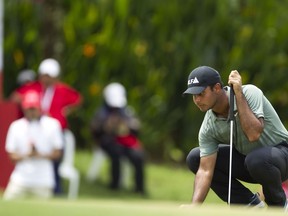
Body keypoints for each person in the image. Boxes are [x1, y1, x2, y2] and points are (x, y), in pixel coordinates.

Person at [183, 66, 288, 208]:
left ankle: (279, 206)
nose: (197, 100)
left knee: (256, 159)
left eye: (201, 93)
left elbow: (253, 134)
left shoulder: (250, 92)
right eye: (194, 96)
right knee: (195, 157)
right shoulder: (208, 126)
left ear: (217, 88)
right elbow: (205, 171)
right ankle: (249, 206)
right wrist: (194, 207)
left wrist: (238, 94)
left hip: (282, 156)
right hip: (252, 163)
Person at [10, 58, 82, 195]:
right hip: (33, 128)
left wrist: (66, 111)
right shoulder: (34, 87)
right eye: (44, 75)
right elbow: (15, 97)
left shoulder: (61, 89)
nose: (46, 79)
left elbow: (78, 99)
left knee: (55, 157)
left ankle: (56, 188)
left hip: (54, 131)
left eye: (49, 76)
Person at [3, 91, 64, 200]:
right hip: (20, 180)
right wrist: (27, 155)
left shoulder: (52, 125)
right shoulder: (16, 126)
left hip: (44, 181)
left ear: (39, 108)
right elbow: (11, 155)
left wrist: (39, 155)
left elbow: (58, 153)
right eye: (28, 109)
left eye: (33, 108)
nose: (31, 112)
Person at [90, 82, 146, 194]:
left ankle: (139, 188)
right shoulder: (101, 112)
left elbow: (136, 128)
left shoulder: (127, 111)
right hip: (108, 143)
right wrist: (106, 126)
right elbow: (95, 131)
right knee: (116, 152)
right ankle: (115, 185)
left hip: (125, 143)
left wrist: (128, 125)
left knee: (138, 156)